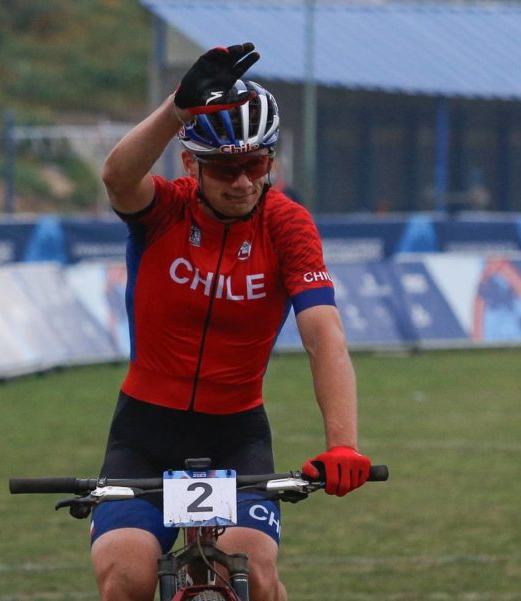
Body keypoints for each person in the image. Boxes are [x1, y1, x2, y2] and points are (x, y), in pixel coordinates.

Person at [94, 43, 371, 601]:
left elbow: (324, 335)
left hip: (235, 437)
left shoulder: (286, 225)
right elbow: (119, 176)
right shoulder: (165, 210)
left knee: (254, 576)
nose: (243, 181)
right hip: (144, 436)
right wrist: (178, 107)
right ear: (190, 163)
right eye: (225, 167)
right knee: (126, 578)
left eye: (256, 164)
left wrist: (342, 444)